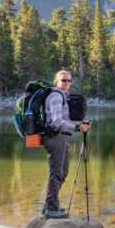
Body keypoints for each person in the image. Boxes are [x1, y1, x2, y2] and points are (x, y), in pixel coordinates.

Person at [42, 70, 91, 219]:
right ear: (57, 81)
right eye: (64, 80)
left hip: (62, 137)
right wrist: (77, 128)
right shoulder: (56, 96)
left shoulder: (63, 96)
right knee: (56, 173)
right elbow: (57, 122)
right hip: (55, 138)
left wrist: (80, 124)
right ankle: (51, 209)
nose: (67, 83)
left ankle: (49, 204)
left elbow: (64, 120)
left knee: (63, 173)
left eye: (69, 81)